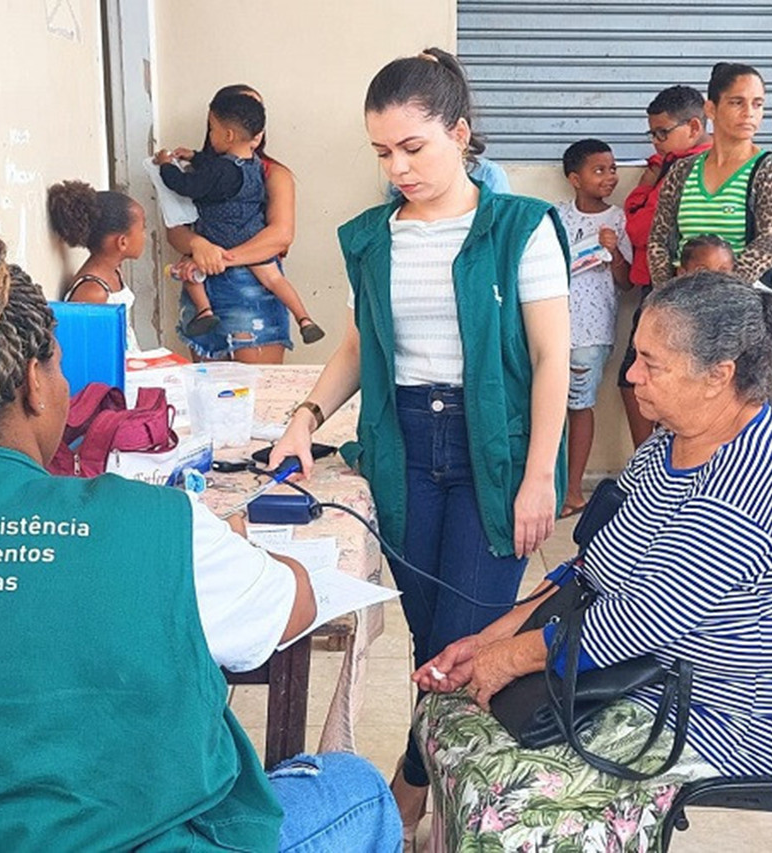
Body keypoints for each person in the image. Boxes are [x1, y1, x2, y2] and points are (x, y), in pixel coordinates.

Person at [0, 180, 401, 851]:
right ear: (33, 382)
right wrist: (237, 546)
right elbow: (294, 603)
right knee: (356, 789)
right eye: (60, 366)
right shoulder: (156, 527)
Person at [412, 273, 772, 849]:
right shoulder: (669, 443)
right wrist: (490, 638)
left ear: (718, 375)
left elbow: (636, 624)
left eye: (651, 364)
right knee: (444, 708)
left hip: (717, 715)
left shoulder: (748, 484)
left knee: (507, 800)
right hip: (641, 673)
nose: (631, 375)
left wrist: (510, 657)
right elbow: (592, 566)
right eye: (636, 355)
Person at [268, 47, 571, 842]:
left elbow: (553, 358)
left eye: (413, 147)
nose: (397, 168)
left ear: (460, 134)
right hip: (403, 448)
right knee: (433, 638)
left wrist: (540, 475)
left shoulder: (519, 228)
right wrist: (305, 416)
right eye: (382, 152)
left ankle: (408, 794)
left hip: (492, 452)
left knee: (464, 643)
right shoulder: (372, 238)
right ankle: (436, 800)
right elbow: (358, 347)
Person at [155, 90, 324, 345]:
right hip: (237, 255)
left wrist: (165, 166)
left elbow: (281, 236)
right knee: (274, 279)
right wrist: (198, 246)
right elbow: (175, 230)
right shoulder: (248, 167)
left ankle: (205, 311)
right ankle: (305, 319)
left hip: (239, 279)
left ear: (228, 134)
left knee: (187, 272)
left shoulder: (262, 173)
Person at [647, 63, 772, 288]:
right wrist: (669, 294)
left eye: (757, 104)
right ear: (711, 109)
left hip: (741, 300)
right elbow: (658, 240)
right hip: (682, 298)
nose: (749, 113)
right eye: (737, 102)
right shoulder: (682, 171)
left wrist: (721, 293)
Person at [620, 85, 712, 447]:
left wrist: (645, 187)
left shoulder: (686, 170)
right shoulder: (673, 164)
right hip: (663, 286)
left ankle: (651, 459)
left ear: (694, 127)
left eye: (662, 133)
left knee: (642, 380)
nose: (656, 142)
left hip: (671, 292)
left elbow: (637, 228)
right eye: (652, 134)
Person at [556, 138, 631, 517]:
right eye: (599, 170)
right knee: (548, 408)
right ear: (575, 179)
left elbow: (627, 281)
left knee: (579, 405)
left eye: (612, 169)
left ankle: (573, 492)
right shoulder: (556, 216)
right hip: (552, 329)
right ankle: (550, 486)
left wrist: (614, 251)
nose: (610, 177)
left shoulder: (617, 219)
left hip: (591, 332)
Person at [47, 179, 146, 350]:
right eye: (143, 228)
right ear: (122, 242)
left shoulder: (114, 272)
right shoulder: (93, 292)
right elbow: (85, 350)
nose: (145, 236)